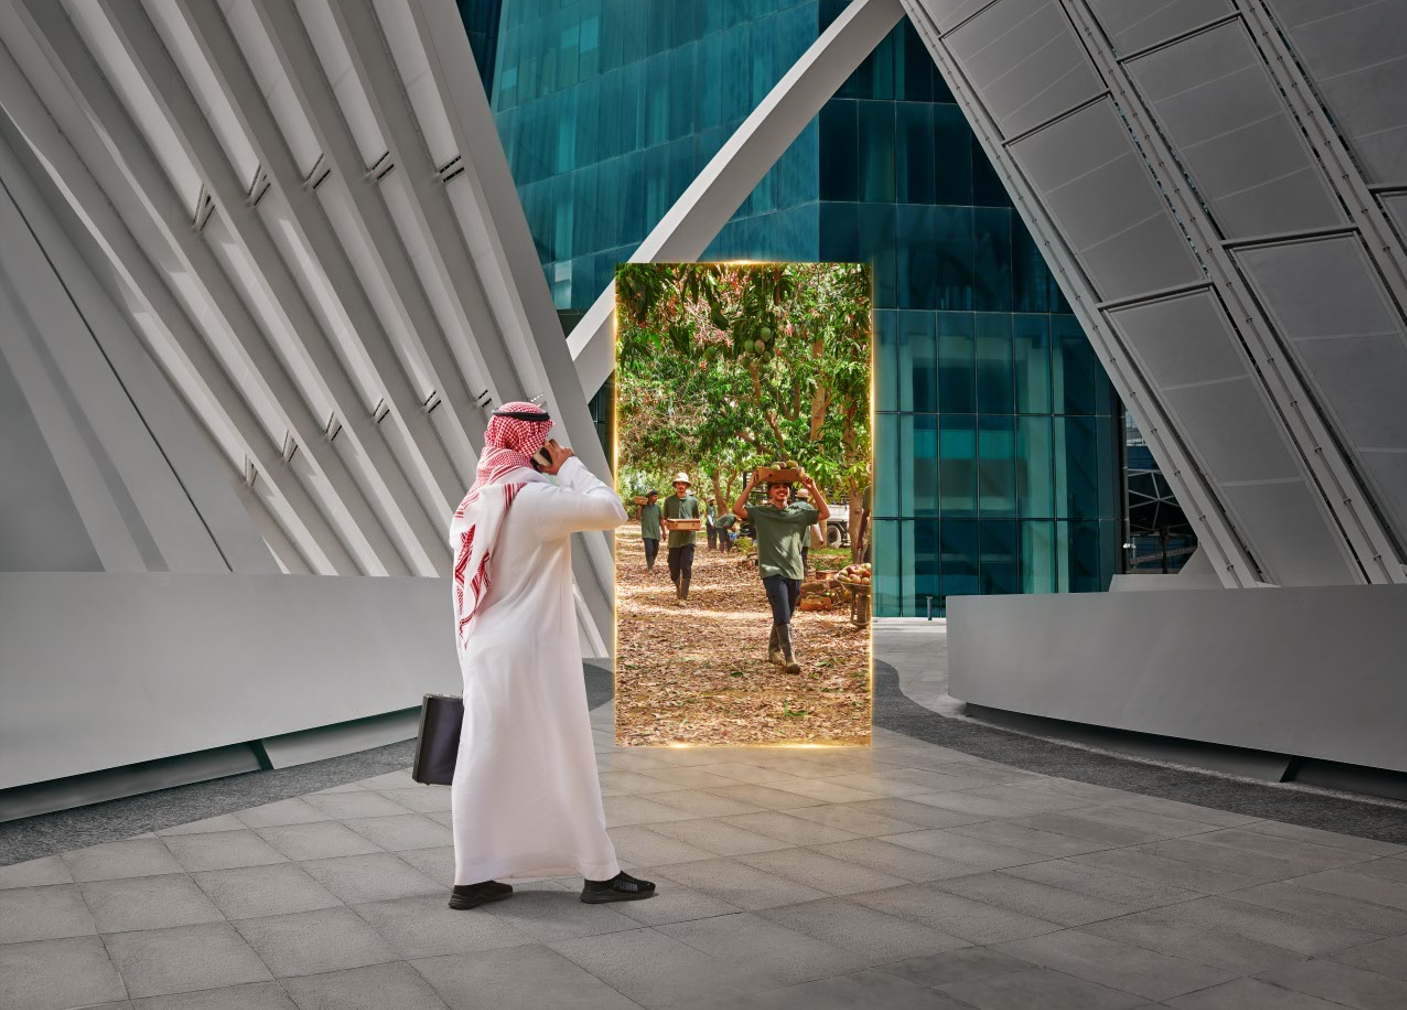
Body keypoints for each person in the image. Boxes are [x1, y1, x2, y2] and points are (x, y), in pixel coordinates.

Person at [446, 402, 656, 909]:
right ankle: (600, 873)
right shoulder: (536, 497)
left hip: (488, 649)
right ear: (535, 443)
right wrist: (569, 466)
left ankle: (473, 876)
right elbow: (612, 509)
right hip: (535, 648)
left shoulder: (478, 498)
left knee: (485, 756)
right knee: (567, 753)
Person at [733, 469, 828, 673]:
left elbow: (824, 514)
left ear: (789, 492)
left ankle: (773, 649)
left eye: (784, 487)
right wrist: (750, 485)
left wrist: (813, 488)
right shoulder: (761, 513)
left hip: (795, 571)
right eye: (776, 487)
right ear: (770, 492)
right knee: (783, 613)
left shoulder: (799, 514)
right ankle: (790, 657)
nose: (781, 490)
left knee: (786, 613)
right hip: (771, 570)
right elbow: (737, 509)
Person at [661, 472, 700, 606]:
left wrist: (694, 525)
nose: (680, 486)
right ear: (675, 486)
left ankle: (683, 598)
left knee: (686, 566)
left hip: (689, 538)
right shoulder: (669, 501)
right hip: (674, 540)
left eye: (683, 483)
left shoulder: (693, 501)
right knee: (673, 568)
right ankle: (678, 586)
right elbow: (664, 518)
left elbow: (697, 519)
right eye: (678, 483)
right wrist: (667, 524)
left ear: (686, 485)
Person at [796, 487, 824, 576]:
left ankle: (795, 575)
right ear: (806, 498)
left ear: (797, 497)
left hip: (792, 537)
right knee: (803, 556)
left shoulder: (792, 506)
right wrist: (820, 538)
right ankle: (805, 576)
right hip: (804, 537)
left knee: (795, 556)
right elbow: (814, 524)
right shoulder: (809, 507)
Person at [637, 490, 661, 572]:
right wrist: (640, 506)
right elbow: (638, 517)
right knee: (649, 550)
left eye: (656, 496)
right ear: (649, 497)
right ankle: (650, 567)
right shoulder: (644, 507)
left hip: (656, 533)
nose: (656, 498)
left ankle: (651, 563)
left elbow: (661, 519)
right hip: (647, 533)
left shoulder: (657, 508)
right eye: (654, 496)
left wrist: (664, 532)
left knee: (655, 550)